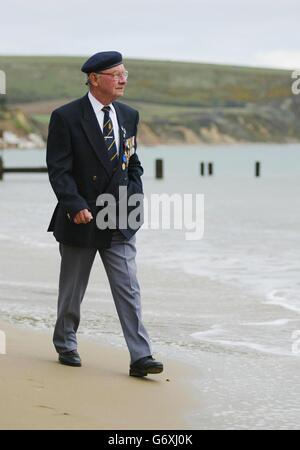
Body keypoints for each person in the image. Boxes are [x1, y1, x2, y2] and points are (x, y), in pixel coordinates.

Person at [46, 51, 163, 377]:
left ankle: (141, 356)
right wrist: (75, 205)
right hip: (80, 217)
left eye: (125, 73)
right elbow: (59, 169)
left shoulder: (129, 115)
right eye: (116, 74)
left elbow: (132, 163)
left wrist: (135, 199)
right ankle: (66, 342)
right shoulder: (66, 116)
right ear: (95, 78)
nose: (123, 79)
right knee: (72, 289)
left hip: (120, 217)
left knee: (129, 288)